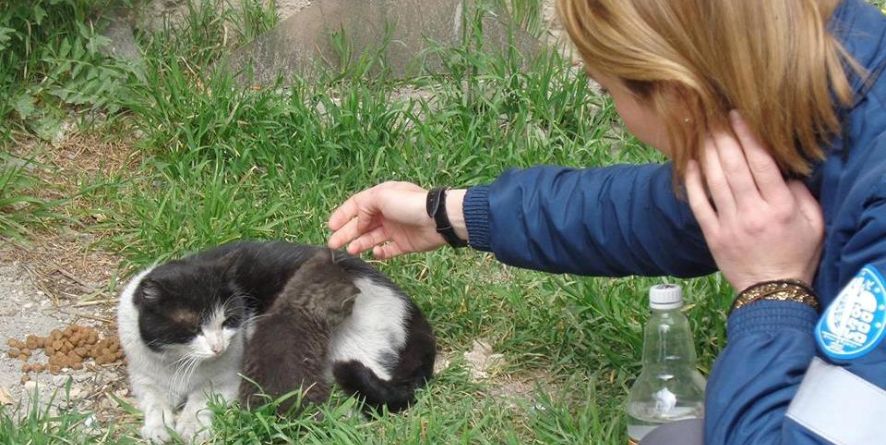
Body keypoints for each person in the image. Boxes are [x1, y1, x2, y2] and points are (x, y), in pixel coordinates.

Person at [327, 0, 886, 443]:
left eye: (607, 88)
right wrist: (450, 215)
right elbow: (657, 213)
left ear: (677, 89)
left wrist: (772, 293)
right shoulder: (833, 88)